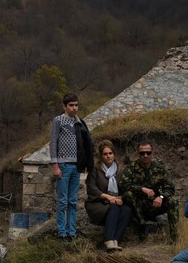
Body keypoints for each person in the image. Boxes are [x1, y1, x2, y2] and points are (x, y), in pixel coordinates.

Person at [49, 93, 94, 241]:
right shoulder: (58, 120)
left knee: (73, 201)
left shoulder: (79, 122)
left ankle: (71, 232)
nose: (74, 108)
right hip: (63, 164)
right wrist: (55, 165)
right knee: (62, 201)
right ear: (64, 106)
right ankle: (62, 232)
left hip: (76, 166)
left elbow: (86, 143)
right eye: (71, 105)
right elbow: (53, 143)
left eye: (76, 105)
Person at [121, 141, 179, 241]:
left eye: (148, 153)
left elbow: (170, 188)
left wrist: (161, 197)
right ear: (137, 154)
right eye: (142, 153)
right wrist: (141, 189)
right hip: (137, 206)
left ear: (152, 153)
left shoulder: (159, 169)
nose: (145, 155)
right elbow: (123, 185)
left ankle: (175, 237)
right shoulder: (130, 169)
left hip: (154, 204)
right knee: (128, 194)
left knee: (173, 200)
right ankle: (142, 224)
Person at [85, 140, 132, 251]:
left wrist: (121, 197)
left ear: (114, 154)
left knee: (127, 210)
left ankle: (116, 240)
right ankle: (108, 240)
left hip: (114, 201)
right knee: (114, 208)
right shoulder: (95, 169)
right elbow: (91, 188)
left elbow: (125, 187)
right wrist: (109, 197)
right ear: (101, 156)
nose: (108, 156)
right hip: (98, 203)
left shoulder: (120, 170)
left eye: (110, 153)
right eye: (105, 154)